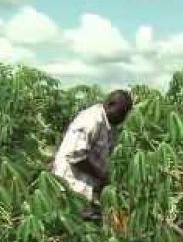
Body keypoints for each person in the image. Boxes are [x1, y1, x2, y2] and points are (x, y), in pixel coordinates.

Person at [52, 90, 133, 219]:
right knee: (75, 231)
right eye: (122, 112)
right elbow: (75, 156)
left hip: (87, 191)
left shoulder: (110, 126)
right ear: (110, 104)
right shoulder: (90, 120)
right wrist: (101, 175)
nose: (124, 117)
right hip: (71, 190)